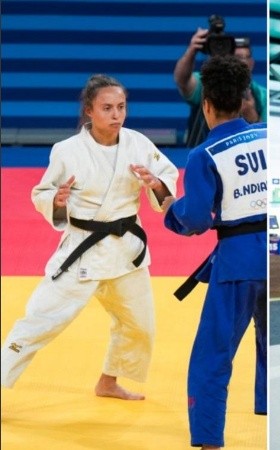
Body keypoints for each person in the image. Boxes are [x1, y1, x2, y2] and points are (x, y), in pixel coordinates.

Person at [0, 74, 178, 400]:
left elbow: (167, 176)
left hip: (125, 250)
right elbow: (43, 190)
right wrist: (56, 201)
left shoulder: (138, 143)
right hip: (83, 250)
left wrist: (155, 183)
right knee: (40, 320)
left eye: (121, 107)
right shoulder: (67, 150)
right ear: (89, 111)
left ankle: (108, 382)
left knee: (140, 327)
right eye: (107, 108)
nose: (116, 115)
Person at [164, 54, 267, 450]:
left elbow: (194, 220)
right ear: (245, 100)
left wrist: (170, 207)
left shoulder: (203, 156)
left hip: (237, 265)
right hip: (272, 254)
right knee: (269, 346)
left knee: (212, 359)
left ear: (205, 104)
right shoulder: (267, 135)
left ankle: (209, 443)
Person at [174, 24, 266, 147]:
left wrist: (253, 118)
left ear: (252, 62)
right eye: (236, 57)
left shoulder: (263, 96)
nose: (240, 62)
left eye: (244, 57)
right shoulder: (208, 83)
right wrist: (192, 50)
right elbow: (182, 80)